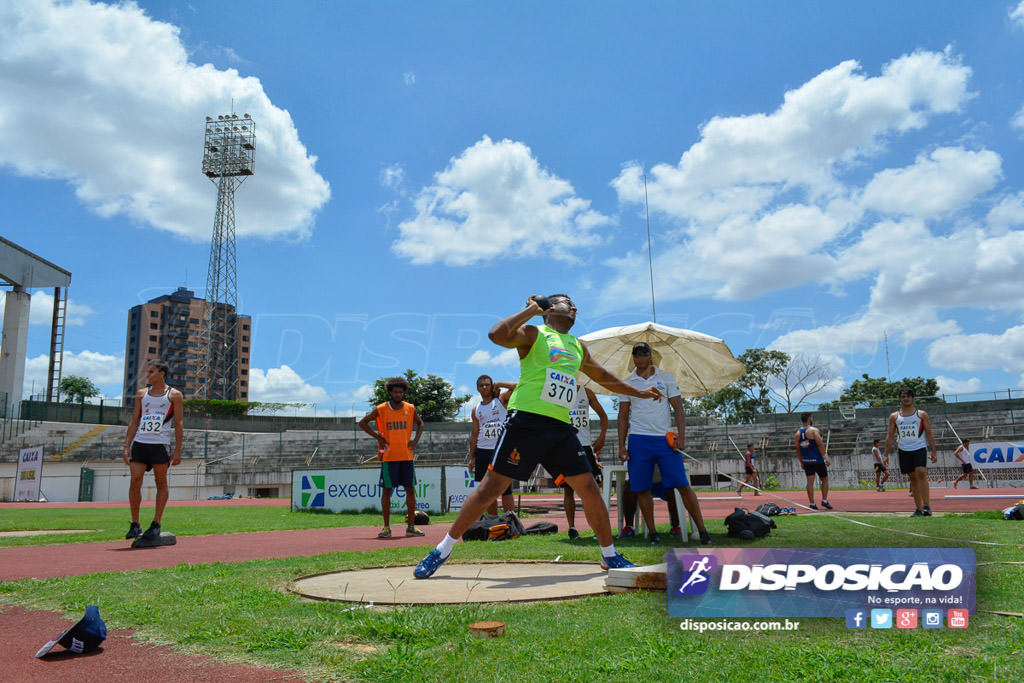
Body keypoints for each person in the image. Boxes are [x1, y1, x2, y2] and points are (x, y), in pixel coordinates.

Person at [415, 294, 664, 578]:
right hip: (526, 422)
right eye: (567, 302)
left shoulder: (577, 345)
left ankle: (610, 555)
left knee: (589, 489)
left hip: (560, 427)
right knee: (490, 489)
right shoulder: (535, 333)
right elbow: (496, 334)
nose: (574, 307)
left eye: (575, 304)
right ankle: (442, 550)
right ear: (550, 308)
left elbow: (604, 376)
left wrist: (638, 392)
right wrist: (531, 311)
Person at [617, 341, 713, 545]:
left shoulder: (666, 377)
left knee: (682, 485)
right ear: (633, 357)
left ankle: (703, 532)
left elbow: (678, 408)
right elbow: (623, 415)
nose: (639, 357)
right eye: (636, 354)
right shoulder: (626, 382)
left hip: (664, 439)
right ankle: (653, 534)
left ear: (650, 356)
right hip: (638, 440)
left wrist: (682, 436)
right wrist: (621, 445)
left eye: (643, 353)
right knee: (641, 488)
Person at [122, 360, 184, 541]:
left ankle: (156, 523)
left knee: (161, 482)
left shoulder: (174, 395)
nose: (147, 375)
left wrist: (178, 450)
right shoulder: (142, 394)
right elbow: (134, 420)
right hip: (141, 443)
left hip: (160, 445)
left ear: (161, 373)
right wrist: (127, 445)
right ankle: (135, 524)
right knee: (135, 481)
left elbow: (179, 424)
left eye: (151, 372)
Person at [359, 376, 426, 538]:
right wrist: (379, 438)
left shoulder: (410, 408)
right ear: (390, 392)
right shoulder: (381, 408)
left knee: (410, 490)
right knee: (387, 492)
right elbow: (363, 422)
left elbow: (420, 423)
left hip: (406, 456)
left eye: (401, 392)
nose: (398, 395)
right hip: (389, 458)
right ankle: (386, 527)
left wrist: (415, 441)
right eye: (395, 392)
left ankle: (411, 526)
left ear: (404, 393)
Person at [883, 386, 938, 517]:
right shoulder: (894, 417)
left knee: (921, 472)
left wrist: (934, 452)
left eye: (908, 396)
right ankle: (918, 509)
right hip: (904, 449)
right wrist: (885, 454)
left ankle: (927, 506)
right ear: (900, 399)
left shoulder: (921, 415)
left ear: (912, 399)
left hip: (919, 447)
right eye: (903, 397)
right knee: (913, 478)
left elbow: (929, 433)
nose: (905, 399)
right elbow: (890, 435)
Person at [563, 386, 607, 540]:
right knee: (568, 490)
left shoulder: (586, 392)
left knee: (592, 490)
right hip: (566, 446)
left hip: (585, 445)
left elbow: (603, 415)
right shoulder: (558, 389)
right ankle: (572, 528)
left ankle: (596, 528)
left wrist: (602, 436)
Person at [468, 375, 516, 514]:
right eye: (481, 385)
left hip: (500, 449)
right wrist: (472, 457)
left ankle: (510, 520)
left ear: (491, 386)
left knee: (505, 488)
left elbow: (516, 386)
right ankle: (493, 521)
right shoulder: (475, 409)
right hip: (483, 451)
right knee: (487, 490)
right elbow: (475, 433)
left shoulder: (501, 400)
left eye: (487, 385)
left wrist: (498, 383)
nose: (484, 387)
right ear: (477, 388)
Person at [795, 412, 832, 510]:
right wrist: (826, 457)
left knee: (810, 482)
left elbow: (798, 449)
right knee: (824, 479)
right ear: (809, 419)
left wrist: (801, 462)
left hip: (807, 461)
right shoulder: (814, 430)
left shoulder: (798, 433)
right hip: (818, 460)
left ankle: (812, 503)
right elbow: (820, 444)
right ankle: (824, 500)